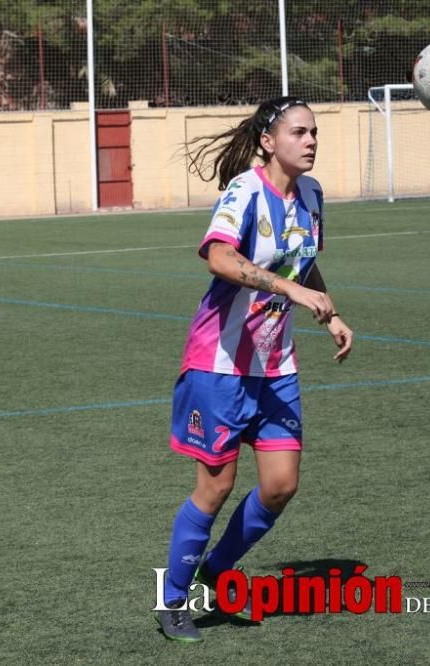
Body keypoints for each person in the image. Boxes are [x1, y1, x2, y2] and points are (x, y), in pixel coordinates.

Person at [154, 97, 354, 642]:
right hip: (218, 364)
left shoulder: (312, 195)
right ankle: (172, 602)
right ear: (269, 141)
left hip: (275, 365)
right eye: (299, 132)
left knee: (281, 484)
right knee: (215, 489)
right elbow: (218, 256)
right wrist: (289, 288)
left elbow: (304, 259)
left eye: (314, 132)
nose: (311, 141)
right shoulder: (244, 190)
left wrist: (330, 314)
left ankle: (217, 570)